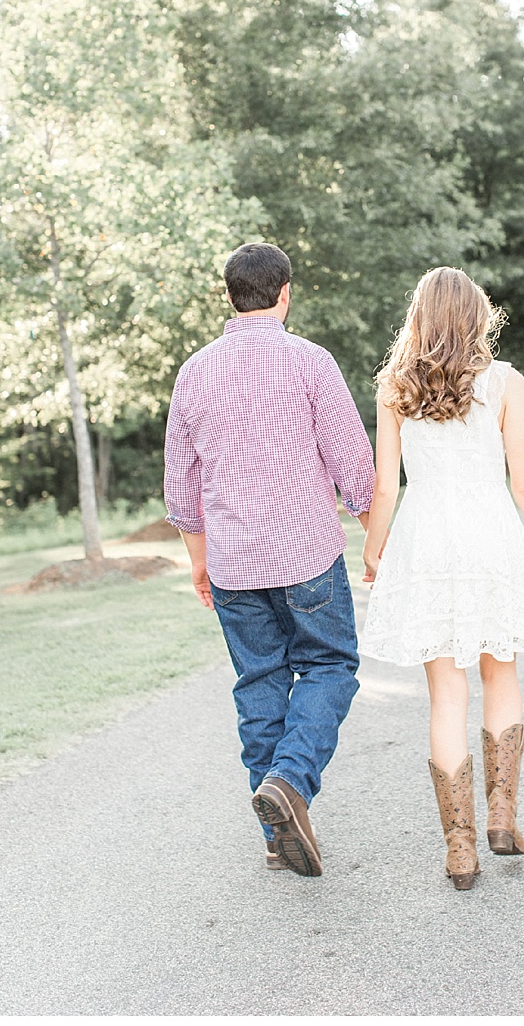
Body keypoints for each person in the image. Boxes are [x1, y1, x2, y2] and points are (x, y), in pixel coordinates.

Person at [357, 267, 524, 891]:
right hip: (491, 536)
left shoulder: (395, 387)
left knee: (446, 695)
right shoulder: (507, 383)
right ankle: (502, 816)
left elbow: (385, 486)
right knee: (500, 673)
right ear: (479, 316)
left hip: (426, 539)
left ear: (419, 319)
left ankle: (460, 848)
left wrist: (373, 553)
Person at [165, 241, 375, 877]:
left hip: (233, 563)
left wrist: (198, 561)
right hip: (307, 554)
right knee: (330, 666)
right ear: (286, 293)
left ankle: (274, 833)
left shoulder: (194, 372)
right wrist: (376, 537)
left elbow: (181, 483)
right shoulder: (310, 361)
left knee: (260, 683)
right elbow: (351, 460)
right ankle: (289, 781)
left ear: (231, 297)